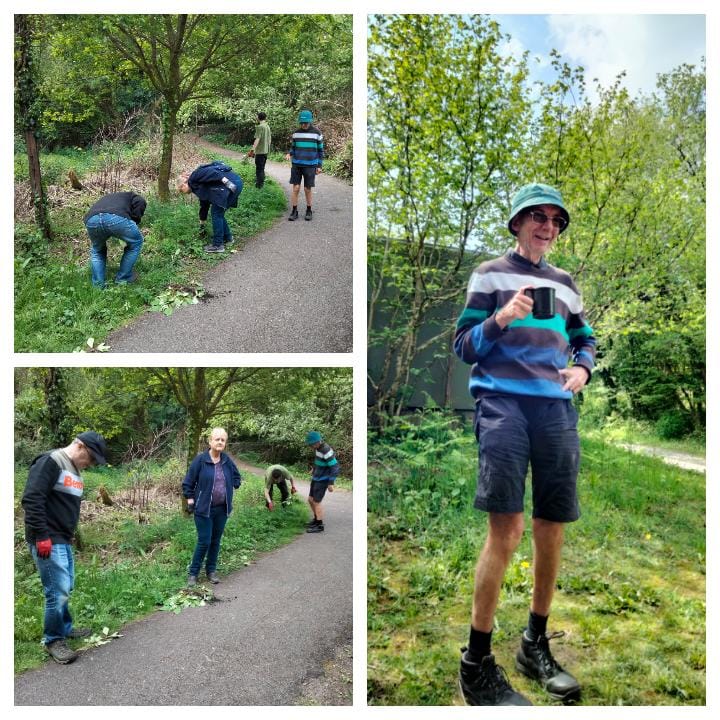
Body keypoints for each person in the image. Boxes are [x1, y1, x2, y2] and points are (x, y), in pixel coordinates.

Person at [453, 183, 596, 706]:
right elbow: (465, 345)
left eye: (557, 220)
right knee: (508, 530)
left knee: (551, 526)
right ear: (516, 222)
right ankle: (476, 662)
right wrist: (501, 318)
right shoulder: (489, 274)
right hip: (502, 407)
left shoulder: (565, 282)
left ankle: (534, 644)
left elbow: (584, 337)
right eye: (538, 216)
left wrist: (582, 368)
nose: (548, 226)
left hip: (555, 409)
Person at [21, 431, 108, 664]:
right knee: (57, 590)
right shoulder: (51, 461)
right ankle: (53, 640)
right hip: (47, 537)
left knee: (66, 585)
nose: (89, 464)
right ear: (79, 445)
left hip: (63, 538)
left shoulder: (74, 470)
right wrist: (41, 536)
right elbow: (32, 499)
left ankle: (64, 627)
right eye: (89, 458)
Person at [182, 428, 242, 586]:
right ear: (210, 441)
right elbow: (188, 482)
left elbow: (236, 476)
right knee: (204, 541)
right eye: (217, 439)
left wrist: (234, 483)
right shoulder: (200, 460)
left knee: (215, 540)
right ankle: (193, 573)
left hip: (222, 509)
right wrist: (190, 500)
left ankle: (211, 571)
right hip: (203, 509)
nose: (220, 442)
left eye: (223, 440)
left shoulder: (226, 460)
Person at [83, 191, 146, 287]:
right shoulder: (134, 197)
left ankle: (98, 285)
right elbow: (141, 202)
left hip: (91, 219)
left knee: (97, 250)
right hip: (115, 218)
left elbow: (103, 218)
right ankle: (123, 278)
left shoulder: (112, 197)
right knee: (136, 242)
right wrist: (135, 219)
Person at [178, 161, 243, 253]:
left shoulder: (195, 176)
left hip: (232, 184)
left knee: (216, 213)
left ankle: (218, 245)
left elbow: (212, 173)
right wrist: (202, 221)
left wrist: (227, 182)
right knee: (219, 213)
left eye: (181, 190)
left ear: (184, 184)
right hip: (235, 183)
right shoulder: (196, 186)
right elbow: (204, 204)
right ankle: (228, 238)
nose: (183, 193)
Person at [285, 109, 324, 222]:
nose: (304, 124)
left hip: (311, 165)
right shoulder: (296, 133)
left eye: (306, 122)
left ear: (310, 121)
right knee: (296, 188)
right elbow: (293, 147)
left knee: (307, 189)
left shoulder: (317, 133)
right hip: (297, 164)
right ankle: (294, 211)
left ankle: (309, 210)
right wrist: (289, 153)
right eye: (302, 122)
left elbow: (321, 151)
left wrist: (319, 165)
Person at [304, 431, 339, 533]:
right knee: (310, 500)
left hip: (323, 480)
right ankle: (316, 520)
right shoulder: (318, 449)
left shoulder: (326, 450)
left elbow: (335, 466)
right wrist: (314, 469)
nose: (311, 446)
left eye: (312, 444)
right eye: (310, 444)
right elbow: (318, 461)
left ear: (318, 441)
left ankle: (319, 525)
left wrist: (331, 482)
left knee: (316, 502)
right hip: (316, 478)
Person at [248, 111, 271, 189]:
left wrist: (252, 150)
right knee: (262, 168)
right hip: (265, 151)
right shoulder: (267, 126)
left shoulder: (260, 127)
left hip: (260, 152)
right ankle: (261, 183)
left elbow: (257, 139)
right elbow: (269, 140)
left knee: (259, 169)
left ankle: (259, 186)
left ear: (258, 117)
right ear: (265, 118)